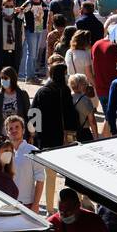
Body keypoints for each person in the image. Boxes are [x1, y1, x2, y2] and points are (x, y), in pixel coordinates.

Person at [31, 58, 77, 211]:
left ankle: (50, 209)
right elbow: (71, 115)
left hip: (45, 140)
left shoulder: (42, 92)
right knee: (68, 175)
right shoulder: (64, 91)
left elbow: (33, 114)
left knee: (49, 176)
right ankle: (68, 205)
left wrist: (35, 133)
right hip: (63, 140)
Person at [4, 113, 44, 212]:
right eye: (10, 128)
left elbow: (40, 180)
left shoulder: (33, 151)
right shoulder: (3, 151)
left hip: (27, 204)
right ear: (7, 133)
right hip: (6, 203)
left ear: (23, 130)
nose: (14, 130)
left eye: (17, 127)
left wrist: (35, 204)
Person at [0, 0, 24, 80]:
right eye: (6, 6)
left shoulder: (18, 21)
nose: (9, 8)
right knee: (1, 78)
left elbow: (22, 37)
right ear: (2, 6)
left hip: (14, 54)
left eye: (11, 6)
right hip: (0, 54)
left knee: (13, 78)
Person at [21, 0, 47, 80]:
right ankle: (29, 76)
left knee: (35, 53)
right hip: (31, 30)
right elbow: (21, 13)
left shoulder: (43, 2)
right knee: (31, 53)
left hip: (39, 29)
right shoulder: (29, 2)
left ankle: (32, 74)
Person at [90, 35, 117, 116]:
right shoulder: (114, 46)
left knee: (108, 119)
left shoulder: (95, 44)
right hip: (114, 90)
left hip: (100, 89)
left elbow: (93, 68)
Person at [68, 72, 99, 143]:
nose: (86, 86)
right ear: (80, 85)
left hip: (70, 132)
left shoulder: (67, 97)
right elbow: (92, 121)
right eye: (85, 84)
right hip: (84, 132)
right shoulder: (85, 100)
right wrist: (96, 137)